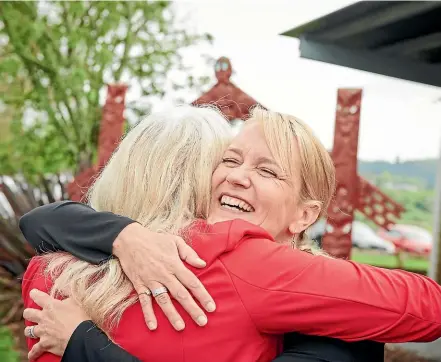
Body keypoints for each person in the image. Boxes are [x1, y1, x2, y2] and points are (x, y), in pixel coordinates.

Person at [20, 105, 441, 362]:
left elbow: (38, 221)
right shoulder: (242, 263)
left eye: (266, 170)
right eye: (230, 160)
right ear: (199, 178)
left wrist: (82, 340)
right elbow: (428, 308)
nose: (238, 177)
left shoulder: (46, 271)